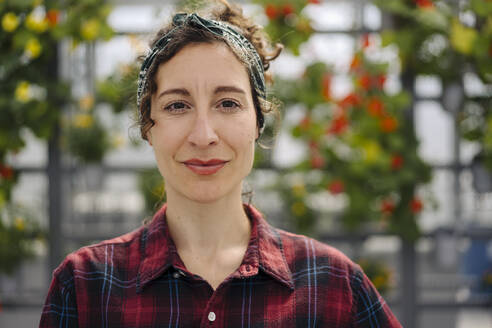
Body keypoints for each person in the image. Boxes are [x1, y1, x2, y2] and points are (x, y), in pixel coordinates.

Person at [40, 1, 402, 327]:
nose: (203, 135)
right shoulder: (86, 286)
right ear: (149, 127)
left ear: (258, 122)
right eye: (177, 105)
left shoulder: (333, 286)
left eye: (228, 103)